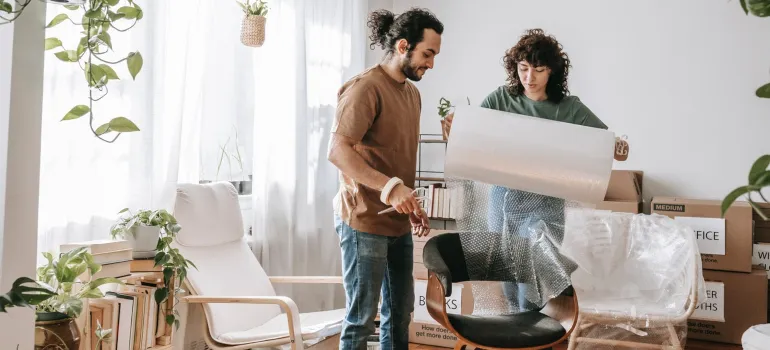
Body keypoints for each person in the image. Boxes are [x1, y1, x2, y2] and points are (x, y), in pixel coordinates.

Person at [441, 28, 621, 313]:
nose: (529, 78)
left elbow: (602, 141)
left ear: (552, 71)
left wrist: (617, 146)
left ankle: (529, 332)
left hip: (545, 204)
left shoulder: (567, 108)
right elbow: (472, 135)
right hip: (503, 201)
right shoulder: (502, 99)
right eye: (523, 69)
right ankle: (517, 333)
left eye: (538, 70)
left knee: (534, 273)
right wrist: (453, 128)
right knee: (508, 272)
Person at [327, 7, 443, 350]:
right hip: (363, 221)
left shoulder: (412, 94)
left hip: (397, 225)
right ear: (404, 45)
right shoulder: (365, 88)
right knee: (362, 319)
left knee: (400, 314)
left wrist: (411, 205)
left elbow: (396, 158)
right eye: (428, 53)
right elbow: (338, 151)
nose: (431, 64)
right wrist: (392, 189)